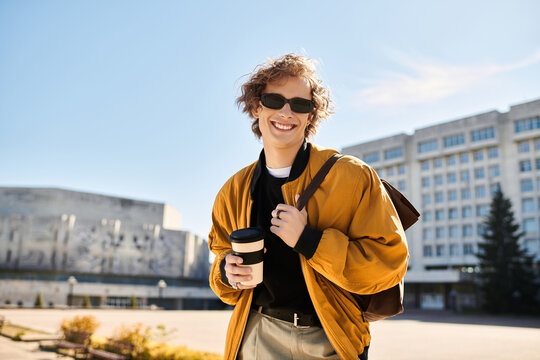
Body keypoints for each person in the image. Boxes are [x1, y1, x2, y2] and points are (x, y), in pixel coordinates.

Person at [208, 53, 409, 360]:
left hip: (332, 338)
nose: (286, 112)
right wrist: (226, 270)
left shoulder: (353, 176)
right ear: (256, 106)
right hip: (258, 335)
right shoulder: (233, 190)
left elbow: (389, 264)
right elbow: (221, 264)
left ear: (311, 115)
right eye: (275, 100)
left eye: (300, 104)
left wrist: (310, 241)